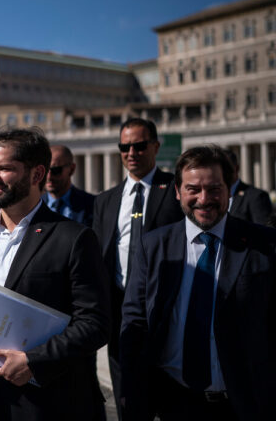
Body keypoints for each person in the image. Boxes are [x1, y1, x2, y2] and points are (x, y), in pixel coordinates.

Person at [0, 128, 110, 421]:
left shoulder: (75, 238)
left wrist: (34, 361)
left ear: (36, 175)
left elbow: (95, 322)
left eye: (5, 168)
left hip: (45, 401)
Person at [120, 145, 276, 420]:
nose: (204, 199)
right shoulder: (153, 246)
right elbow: (135, 322)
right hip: (174, 402)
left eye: (214, 188)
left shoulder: (264, 245)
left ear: (229, 190)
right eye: (193, 189)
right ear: (178, 192)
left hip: (246, 404)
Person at [92, 118, 184, 418]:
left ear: (155, 147)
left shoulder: (176, 190)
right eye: (125, 146)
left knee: (169, 394)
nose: (131, 152)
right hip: (120, 312)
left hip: (167, 309)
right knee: (126, 397)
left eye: (139, 145)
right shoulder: (105, 201)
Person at [42, 145, 96, 227]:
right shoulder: (33, 206)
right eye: (45, 170)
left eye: (56, 170)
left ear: (72, 169)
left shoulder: (92, 205)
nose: (49, 177)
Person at [221, 149, 273, 225]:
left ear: (237, 168)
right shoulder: (212, 197)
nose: (222, 173)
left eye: (226, 169)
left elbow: (265, 232)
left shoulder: (256, 196)